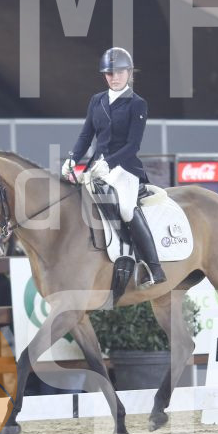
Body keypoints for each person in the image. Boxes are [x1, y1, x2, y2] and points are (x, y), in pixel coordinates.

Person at [61, 46, 164, 287]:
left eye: (119, 73)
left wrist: (109, 163)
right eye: (109, 73)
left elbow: (133, 145)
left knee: (126, 209)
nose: (114, 77)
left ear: (129, 73)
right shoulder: (96, 100)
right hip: (97, 168)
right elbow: (86, 135)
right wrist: (72, 158)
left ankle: (154, 267)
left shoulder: (137, 104)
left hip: (125, 168)